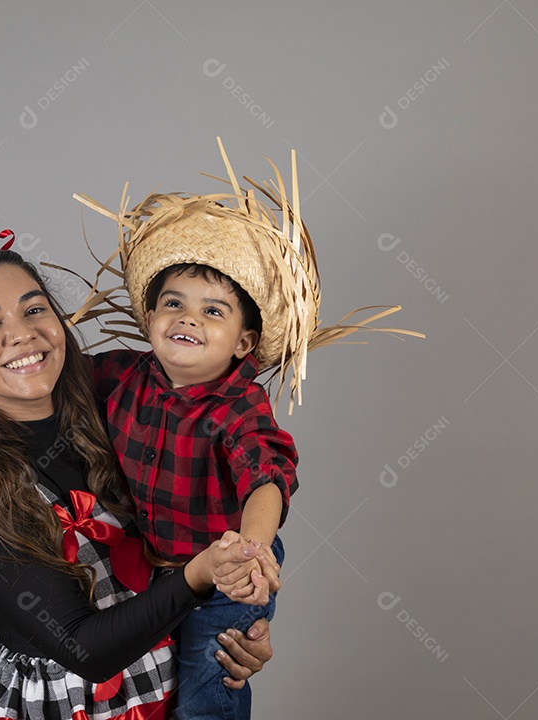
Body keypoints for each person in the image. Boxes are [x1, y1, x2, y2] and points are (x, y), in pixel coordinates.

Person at [68, 138, 424, 720]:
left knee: (208, 687)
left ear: (244, 343)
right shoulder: (118, 375)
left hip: (225, 567)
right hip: (155, 572)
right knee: (145, 689)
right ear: (150, 318)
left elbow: (267, 477)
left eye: (213, 311)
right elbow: (55, 383)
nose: (188, 317)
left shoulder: (239, 407)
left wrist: (251, 552)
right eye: (173, 304)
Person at [0, 236, 279, 720]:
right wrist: (204, 575)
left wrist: (231, 628)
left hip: (166, 685)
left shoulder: (119, 415)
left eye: (34, 310)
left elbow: (231, 495)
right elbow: (86, 651)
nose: (22, 334)